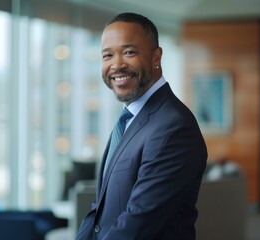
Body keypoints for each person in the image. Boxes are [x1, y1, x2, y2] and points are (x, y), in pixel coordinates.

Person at [76, 12, 207, 240]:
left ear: (156, 57)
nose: (116, 65)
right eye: (107, 55)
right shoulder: (129, 119)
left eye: (129, 52)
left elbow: (139, 222)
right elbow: (99, 211)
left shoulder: (173, 127)